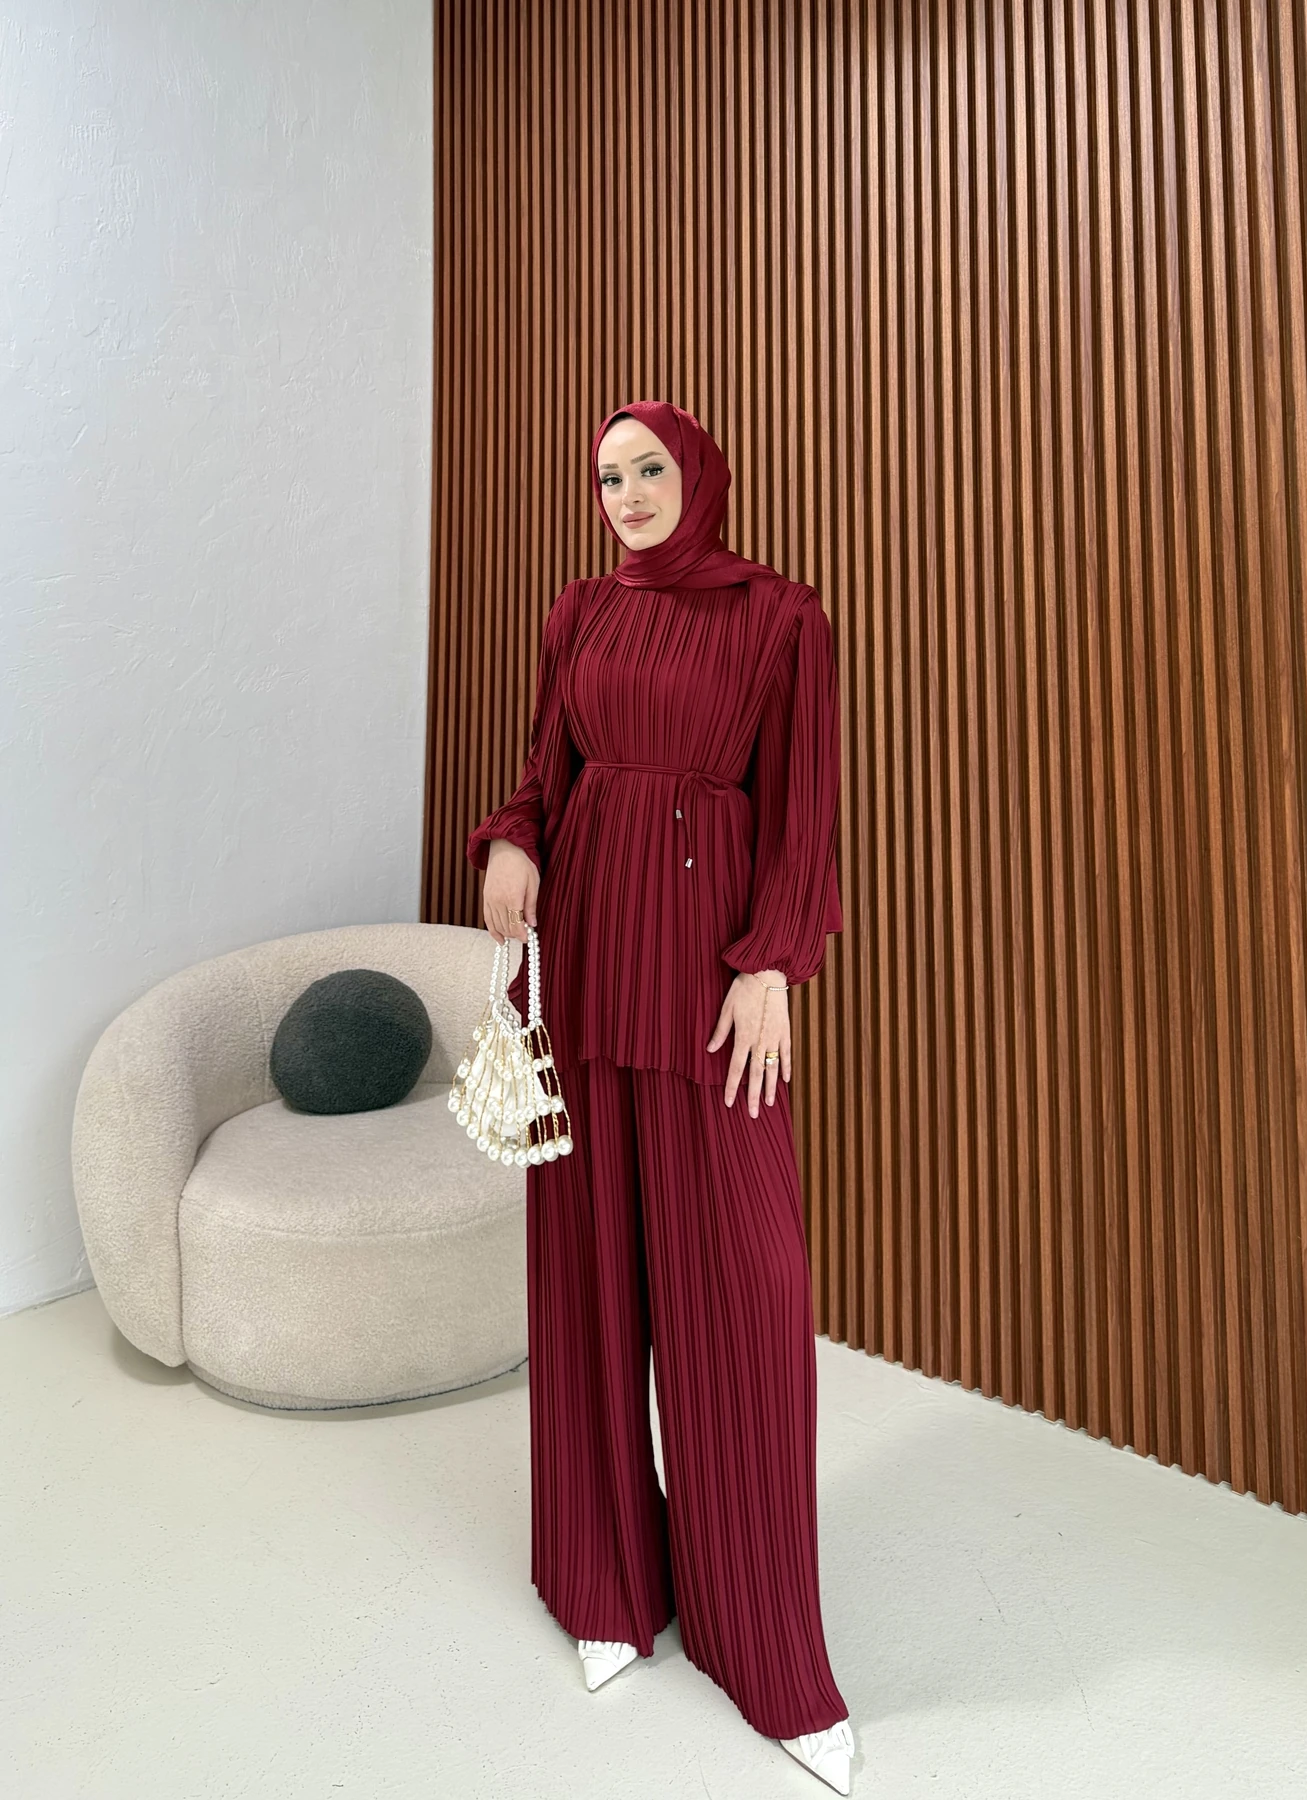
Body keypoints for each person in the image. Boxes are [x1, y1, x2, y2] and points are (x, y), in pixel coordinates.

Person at [465, 400, 856, 1794]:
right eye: (606, 476)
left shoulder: (780, 618)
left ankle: (766, 1647)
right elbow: (545, 772)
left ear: (698, 476)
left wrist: (774, 963)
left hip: (707, 987)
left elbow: (804, 812)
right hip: (581, 971)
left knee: (739, 1299)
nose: (625, 492)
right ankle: (605, 1586)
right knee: (589, 1280)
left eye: (648, 469)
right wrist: (512, 841)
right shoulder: (579, 613)